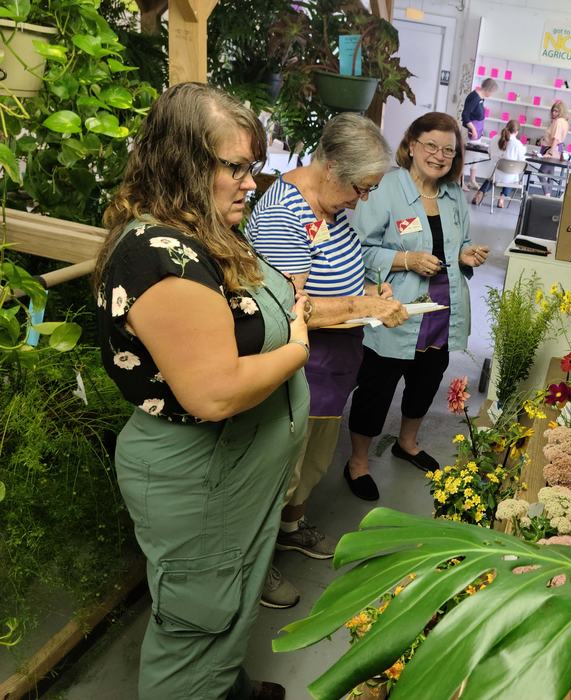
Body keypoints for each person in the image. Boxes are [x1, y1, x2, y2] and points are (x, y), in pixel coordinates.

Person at [94, 83, 309, 700]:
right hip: (200, 473)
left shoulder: (205, 230)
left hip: (234, 468)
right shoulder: (161, 257)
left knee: (229, 598)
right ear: (185, 164)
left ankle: (222, 687)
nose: (250, 183)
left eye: (253, 167)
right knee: (198, 614)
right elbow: (214, 395)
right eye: (234, 167)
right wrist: (296, 347)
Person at [245, 113, 408, 609]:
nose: (363, 200)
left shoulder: (333, 209)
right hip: (294, 366)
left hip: (333, 364)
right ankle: (254, 566)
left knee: (313, 459)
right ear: (331, 165)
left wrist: (368, 290)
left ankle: (292, 528)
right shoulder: (283, 212)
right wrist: (364, 306)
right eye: (361, 187)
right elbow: (291, 309)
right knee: (278, 468)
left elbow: (336, 276)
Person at [346, 112, 490, 499]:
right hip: (396, 310)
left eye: (448, 150)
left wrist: (467, 253)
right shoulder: (385, 189)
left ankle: (406, 442)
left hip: (443, 309)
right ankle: (358, 462)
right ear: (411, 145)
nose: (439, 156)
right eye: (431, 145)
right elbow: (358, 248)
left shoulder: (454, 194)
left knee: (426, 380)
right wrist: (406, 260)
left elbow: (457, 243)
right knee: (376, 386)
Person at [470, 119, 527, 208]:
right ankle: (502, 198)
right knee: (512, 176)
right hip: (509, 177)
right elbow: (522, 163)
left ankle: (480, 192)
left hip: (494, 174)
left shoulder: (495, 138)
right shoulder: (518, 144)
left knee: (492, 178)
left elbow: (489, 153)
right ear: (516, 132)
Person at [461, 77, 498, 190]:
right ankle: (460, 181)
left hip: (477, 132)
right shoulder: (474, 97)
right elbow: (465, 115)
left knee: (475, 157)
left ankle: (472, 180)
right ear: (488, 90)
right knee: (466, 158)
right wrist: (472, 128)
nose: (492, 95)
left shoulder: (481, 98)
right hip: (471, 132)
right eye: (492, 92)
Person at [538, 99, 570, 197]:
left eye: (556, 111)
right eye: (553, 110)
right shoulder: (563, 122)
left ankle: (547, 195)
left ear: (561, 112)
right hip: (554, 149)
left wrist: (550, 152)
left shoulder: (559, 122)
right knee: (550, 174)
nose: (553, 113)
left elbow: (556, 139)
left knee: (541, 172)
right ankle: (549, 195)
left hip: (551, 149)